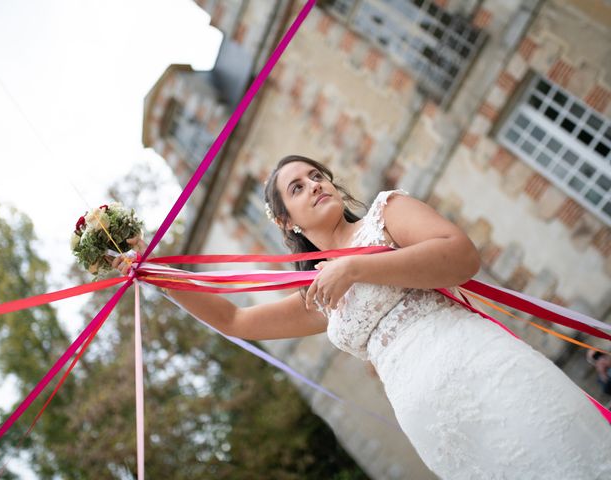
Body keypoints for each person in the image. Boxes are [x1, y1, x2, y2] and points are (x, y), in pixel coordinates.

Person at [115, 155, 611, 479]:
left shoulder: (386, 212)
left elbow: (461, 256)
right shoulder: (319, 290)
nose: (313, 184)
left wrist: (356, 266)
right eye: (296, 187)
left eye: (316, 175)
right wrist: (152, 271)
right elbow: (234, 320)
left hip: (487, 371)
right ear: (286, 222)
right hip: (437, 426)